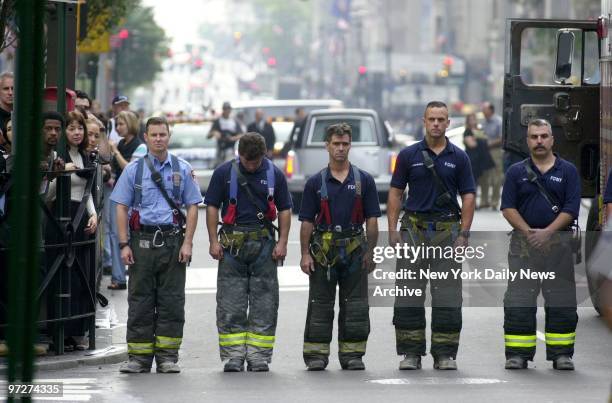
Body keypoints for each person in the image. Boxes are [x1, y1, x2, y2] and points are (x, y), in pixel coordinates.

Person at [387, 101, 476, 371]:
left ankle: (445, 354)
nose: (436, 123)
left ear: (448, 123)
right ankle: (411, 353)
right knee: (409, 293)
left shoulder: (459, 157)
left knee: (447, 295)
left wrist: (464, 234)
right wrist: (392, 230)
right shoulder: (408, 155)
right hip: (413, 231)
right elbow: (395, 193)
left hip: (447, 232)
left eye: (441, 119)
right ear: (423, 122)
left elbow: (469, 196)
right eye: (431, 119)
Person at [111, 116, 202, 373]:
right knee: (140, 299)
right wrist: (123, 244)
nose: (159, 139)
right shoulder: (133, 170)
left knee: (171, 300)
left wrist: (188, 243)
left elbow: (192, 206)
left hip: (173, 242)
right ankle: (138, 358)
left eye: (163, 135)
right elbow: (121, 207)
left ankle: (167, 357)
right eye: (154, 135)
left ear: (168, 137)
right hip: (141, 243)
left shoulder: (182, 169)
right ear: (146, 138)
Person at [205, 132, 292, 372]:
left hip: (264, 245)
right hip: (231, 247)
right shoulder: (223, 173)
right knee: (230, 302)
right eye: (246, 161)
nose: (251, 166)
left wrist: (282, 242)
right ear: (239, 154)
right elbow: (211, 207)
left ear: (264, 154)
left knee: (265, 302)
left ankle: (258, 356)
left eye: (255, 162)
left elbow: (285, 210)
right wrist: (213, 241)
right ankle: (233, 356)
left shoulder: (275, 174)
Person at [298, 123, 380, 371]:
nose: (341, 149)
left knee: (355, 305)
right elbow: (307, 222)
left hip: (356, 251)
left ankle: (352, 355)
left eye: (345, 144)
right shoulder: (315, 183)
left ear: (350, 145)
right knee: (320, 304)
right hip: (323, 254)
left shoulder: (364, 180)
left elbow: (372, 220)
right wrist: (304, 254)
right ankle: (316, 356)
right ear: (327, 145)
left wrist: (371, 251)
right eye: (336, 144)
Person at [500, 118, 580, 371]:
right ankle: (517, 354)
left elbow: (571, 208)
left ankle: (561, 355)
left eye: (544, 136)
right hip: (523, 247)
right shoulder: (515, 172)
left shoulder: (568, 171)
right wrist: (530, 233)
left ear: (552, 140)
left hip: (559, 246)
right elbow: (507, 207)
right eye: (534, 137)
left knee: (561, 300)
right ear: (527, 141)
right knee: (519, 300)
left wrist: (547, 233)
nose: (539, 141)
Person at [46, 110, 98, 351]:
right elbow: (46, 195)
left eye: (80, 128)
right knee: (61, 276)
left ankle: (79, 331)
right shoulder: (57, 156)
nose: (77, 133)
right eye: (71, 128)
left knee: (82, 276)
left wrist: (94, 214)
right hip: (61, 219)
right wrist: (59, 174)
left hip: (82, 219)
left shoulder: (85, 156)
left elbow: (87, 191)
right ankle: (61, 331)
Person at [107, 110, 147, 290]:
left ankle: (133, 273)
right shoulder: (121, 143)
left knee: (132, 234)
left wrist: (114, 151)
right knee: (116, 234)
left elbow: (129, 169)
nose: (119, 128)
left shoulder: (140, 146)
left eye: (121, 124)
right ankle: (118, 276)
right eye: (117, 125)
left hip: (134, 196)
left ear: (130, 124)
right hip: (118, 193)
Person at [462, 113, 495, 208]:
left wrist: (478, 137)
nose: (473, 121)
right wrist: (477, 137)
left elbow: (487, 140)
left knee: (485, 182)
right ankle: (473, 203)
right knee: (473, 183)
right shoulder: (467, 131)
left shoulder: (480, 130)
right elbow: (472, 144)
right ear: (468, 121)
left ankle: (484, 202)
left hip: (482, 159)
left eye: (474, 119)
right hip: (472, 160)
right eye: (471, 119)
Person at [481, 102, 503, 210]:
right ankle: (484, 201)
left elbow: (501, 138)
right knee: (484, 176)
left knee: (496, 177)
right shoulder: (484, 122)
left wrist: (489, 143)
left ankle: (494, 202)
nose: (483, 111)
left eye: (484, 109)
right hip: (485, 152)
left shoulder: (498, 121)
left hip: (496, 151)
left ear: (490, 110)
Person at [208, 101, 243, 166]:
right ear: (223, 109)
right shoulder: (218, 121)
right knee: (220, 167)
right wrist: (214, 132)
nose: (227, 111)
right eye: (225, 109)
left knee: (230, 166)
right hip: (220, 148)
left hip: (231, 148)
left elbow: (241, 134)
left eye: (228, 109)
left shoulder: (234, 121)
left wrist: (233, 138)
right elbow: (209, 135)